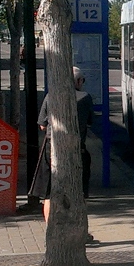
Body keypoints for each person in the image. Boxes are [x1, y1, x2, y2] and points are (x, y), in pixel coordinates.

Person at [29, 66, 94, 242]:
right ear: (79, 81)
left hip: (51, 149)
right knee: (79, 193)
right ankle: (80, 232)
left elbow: (42, 125)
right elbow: (89, 123)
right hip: (76, 150)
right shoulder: (85, 98)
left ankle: (52, 232)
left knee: (49, 194)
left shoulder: (50, 96)